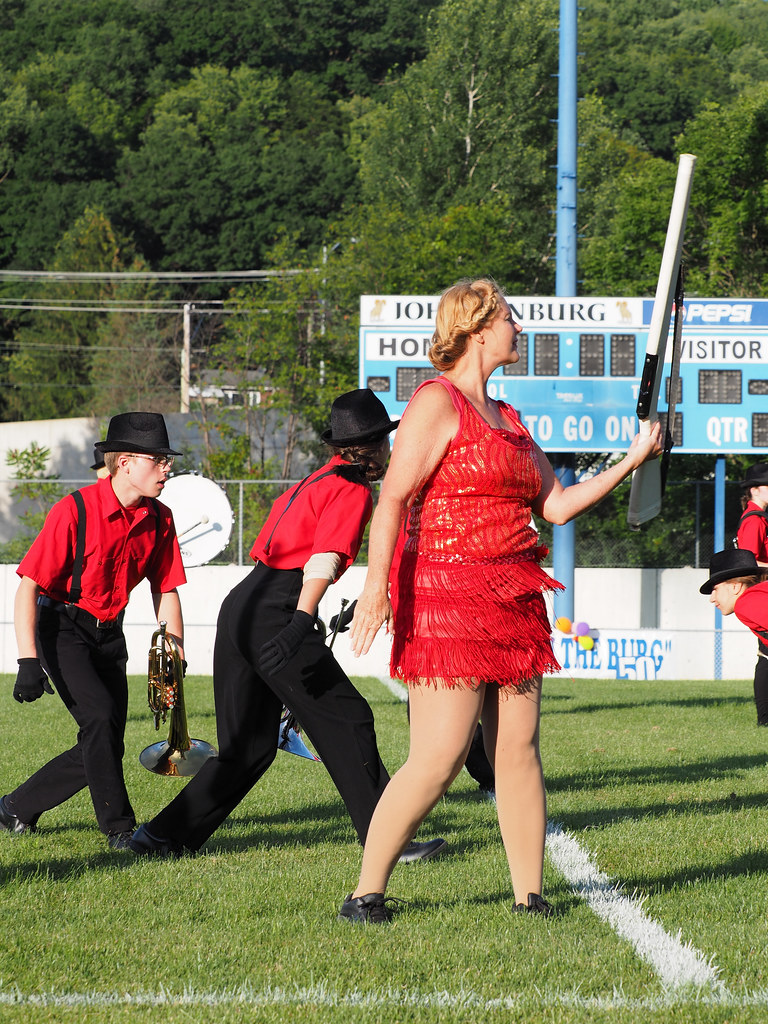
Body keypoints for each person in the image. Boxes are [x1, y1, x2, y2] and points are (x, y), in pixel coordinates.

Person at [338, 278, 663, 924]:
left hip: (514, 596)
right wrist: (376, 585)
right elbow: (393, 500)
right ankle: (365, 892)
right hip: (445, 596)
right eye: (511, 319)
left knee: (518, 749)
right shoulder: (437, 403)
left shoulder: (510, 420)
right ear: (479, 330)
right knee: (441, 756)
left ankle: (529, 895)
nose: (520, 329)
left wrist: (631, 461)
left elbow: (557, 506)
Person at [129, 389, 446, 863]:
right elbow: (324, 557)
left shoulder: (315, 478)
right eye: (385, 441)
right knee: (350, 717)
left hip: (242, 606)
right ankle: (389, 841)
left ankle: (159, 837)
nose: (389, 450)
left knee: (249, 749)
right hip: (281, 609)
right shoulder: (353, 488)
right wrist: (302, 619)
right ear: (375, 445)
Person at [1, 412, 186, 850]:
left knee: (104, 742)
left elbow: (167, 589)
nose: (168, 468)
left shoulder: (161, 519)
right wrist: (28, 660)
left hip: (109, 632)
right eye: (158, 460)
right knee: (101, 722)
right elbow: (28, 587)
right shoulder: (74, 510)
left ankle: (14, 807)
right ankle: (120, 829)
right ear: (125, 463)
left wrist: (175, 654)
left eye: (166, 460)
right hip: (61, 626)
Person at [735, 463, 768, 725]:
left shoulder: (759, 517)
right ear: (754, 490)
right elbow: (749, 563)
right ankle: (764, 719)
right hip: (760, 592)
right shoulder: (754, 519)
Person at [700, 547, 768, 651]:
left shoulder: (745, 603)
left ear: (735, 586)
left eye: (715, 589)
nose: (712, 599)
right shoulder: (758, 594)